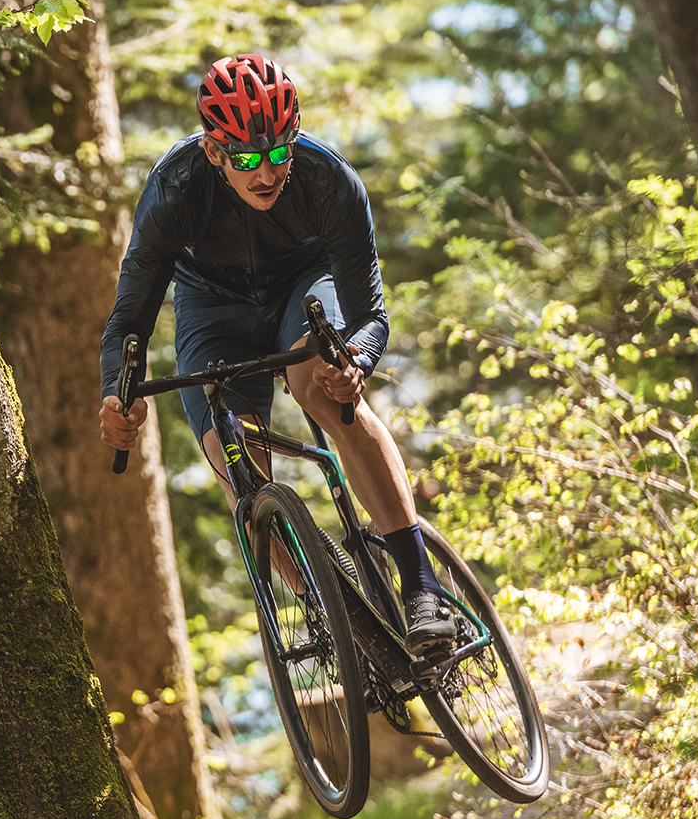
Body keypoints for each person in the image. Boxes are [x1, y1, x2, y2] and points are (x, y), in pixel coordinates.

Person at [96, 52, 453, 653]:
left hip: (303, 282)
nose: (265, 174)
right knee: (231, 450)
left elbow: (370, 316)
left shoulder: (326, 179)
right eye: (245, 159)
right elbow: (127, 322)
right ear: (214, 153)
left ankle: (421, 587)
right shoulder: (172, 193)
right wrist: (116, 392)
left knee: (322, 386)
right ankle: (333, 613)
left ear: (293, 138)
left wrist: (356, 363)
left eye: (277, 153)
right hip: (212, 305)